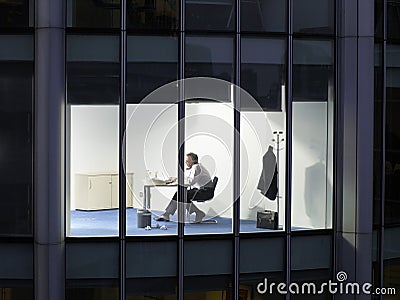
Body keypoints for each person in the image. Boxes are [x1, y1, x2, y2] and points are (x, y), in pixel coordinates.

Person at [155, 152, 214, 223]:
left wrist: (177, 180)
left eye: (187, 161)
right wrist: (176, 179)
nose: (186, 163)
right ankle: (198, 213)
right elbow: (188, 178)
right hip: (204, 190)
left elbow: (190, 182)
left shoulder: (196, 168)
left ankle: (167, 214)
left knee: (180, 195)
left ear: (193, 161)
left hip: (205, 192)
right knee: (181, 195)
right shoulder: (197, 166)